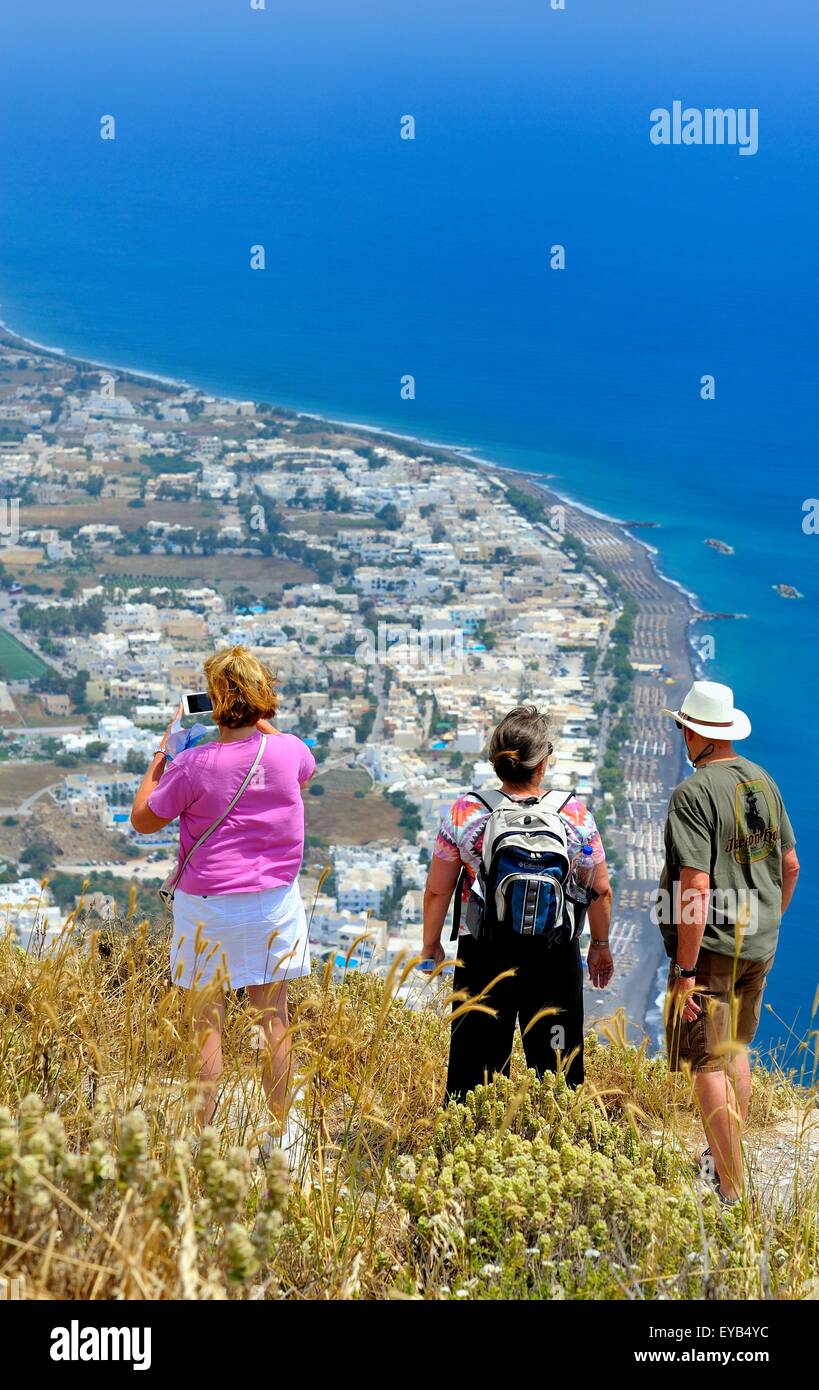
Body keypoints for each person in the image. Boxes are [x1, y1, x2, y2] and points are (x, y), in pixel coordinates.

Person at [130, 645, 315, 1152]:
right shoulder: (288, 750)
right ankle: (285, 1138)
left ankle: (201, 1142)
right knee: (273, 1019)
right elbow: (303, 765)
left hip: (208, 904)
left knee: (206, 1023)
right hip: (274, 902)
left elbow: (143, 818)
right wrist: (261, 723)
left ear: (213, 702)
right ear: (263, 699)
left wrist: (166, 749)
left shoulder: (193, 765)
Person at [422, 705, 613, 1100]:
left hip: (483, 952)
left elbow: (439, 889)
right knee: (558, 1066)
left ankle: (469, 1144)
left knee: (474, 1068)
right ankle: (563, 1144)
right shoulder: (572, 813)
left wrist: (431, 944)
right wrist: (600, 945)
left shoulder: (466, 810)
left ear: (497, 760)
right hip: (554, 953)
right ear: (543, 761)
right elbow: (600, 888)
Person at [657, 680, 799, 1204]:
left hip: (712, 946)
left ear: (697, 734)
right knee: (736, 1045)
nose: (680, 738)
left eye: (682, 729)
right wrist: (767, 921)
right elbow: (791, 864)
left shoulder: (692, 794)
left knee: (707, 1060)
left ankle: (732, 1187)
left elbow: (694, 885)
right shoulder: (763, 780)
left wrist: (686, 969)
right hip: (759, 941)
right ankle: (725, 1152)